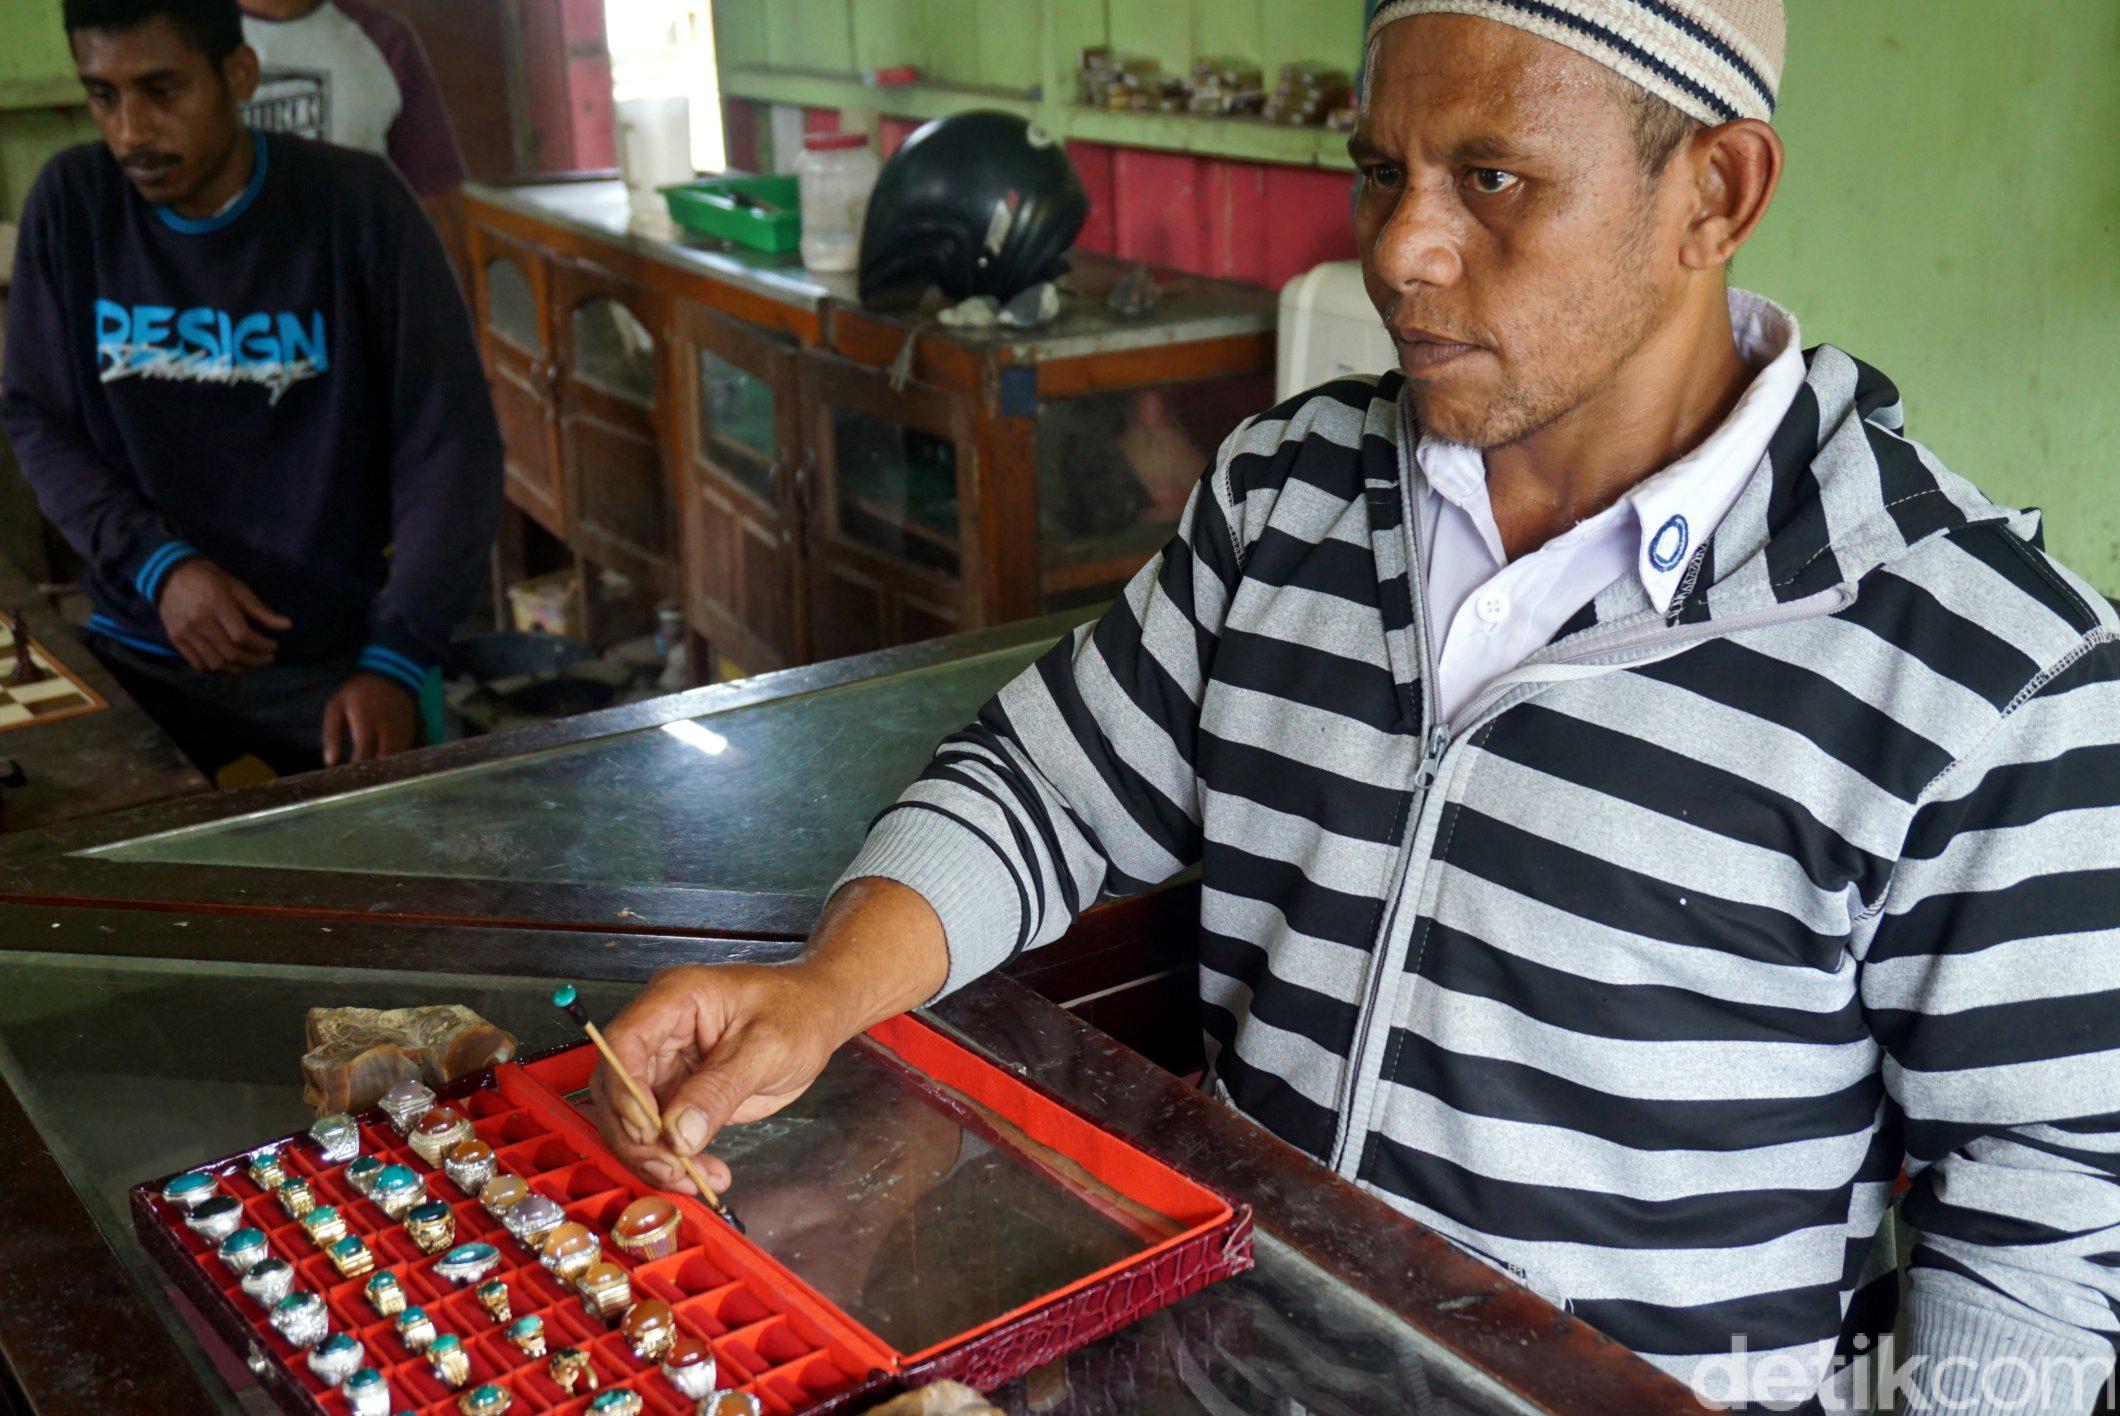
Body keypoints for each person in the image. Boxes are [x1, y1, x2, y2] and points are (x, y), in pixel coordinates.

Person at [594, 2, 2120, 1411]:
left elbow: (2049, 1203)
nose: (1403, 250)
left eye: (1493, 179)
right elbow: (1050, 787)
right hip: (1220, 1366)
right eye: (1378, 170)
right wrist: (825, 988)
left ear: (1714, 192)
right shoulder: (1291, 495)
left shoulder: (1975, 668)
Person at [0, 0, 501, 775]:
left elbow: (450, 447)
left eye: (162, 91)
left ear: (239, 75)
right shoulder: (72, 206)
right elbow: (37, 418)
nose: (130, 130)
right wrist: (158, 565)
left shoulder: (358, 209)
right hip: (143, 639)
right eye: (103, 95)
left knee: (399, 877)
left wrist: (399, 656)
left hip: (338, 657)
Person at [233, 0, 468, 271]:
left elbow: (433, 200)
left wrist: (460, 310)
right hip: (225, 299)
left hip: (358, 292)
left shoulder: (384, 39)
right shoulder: (189, 37)